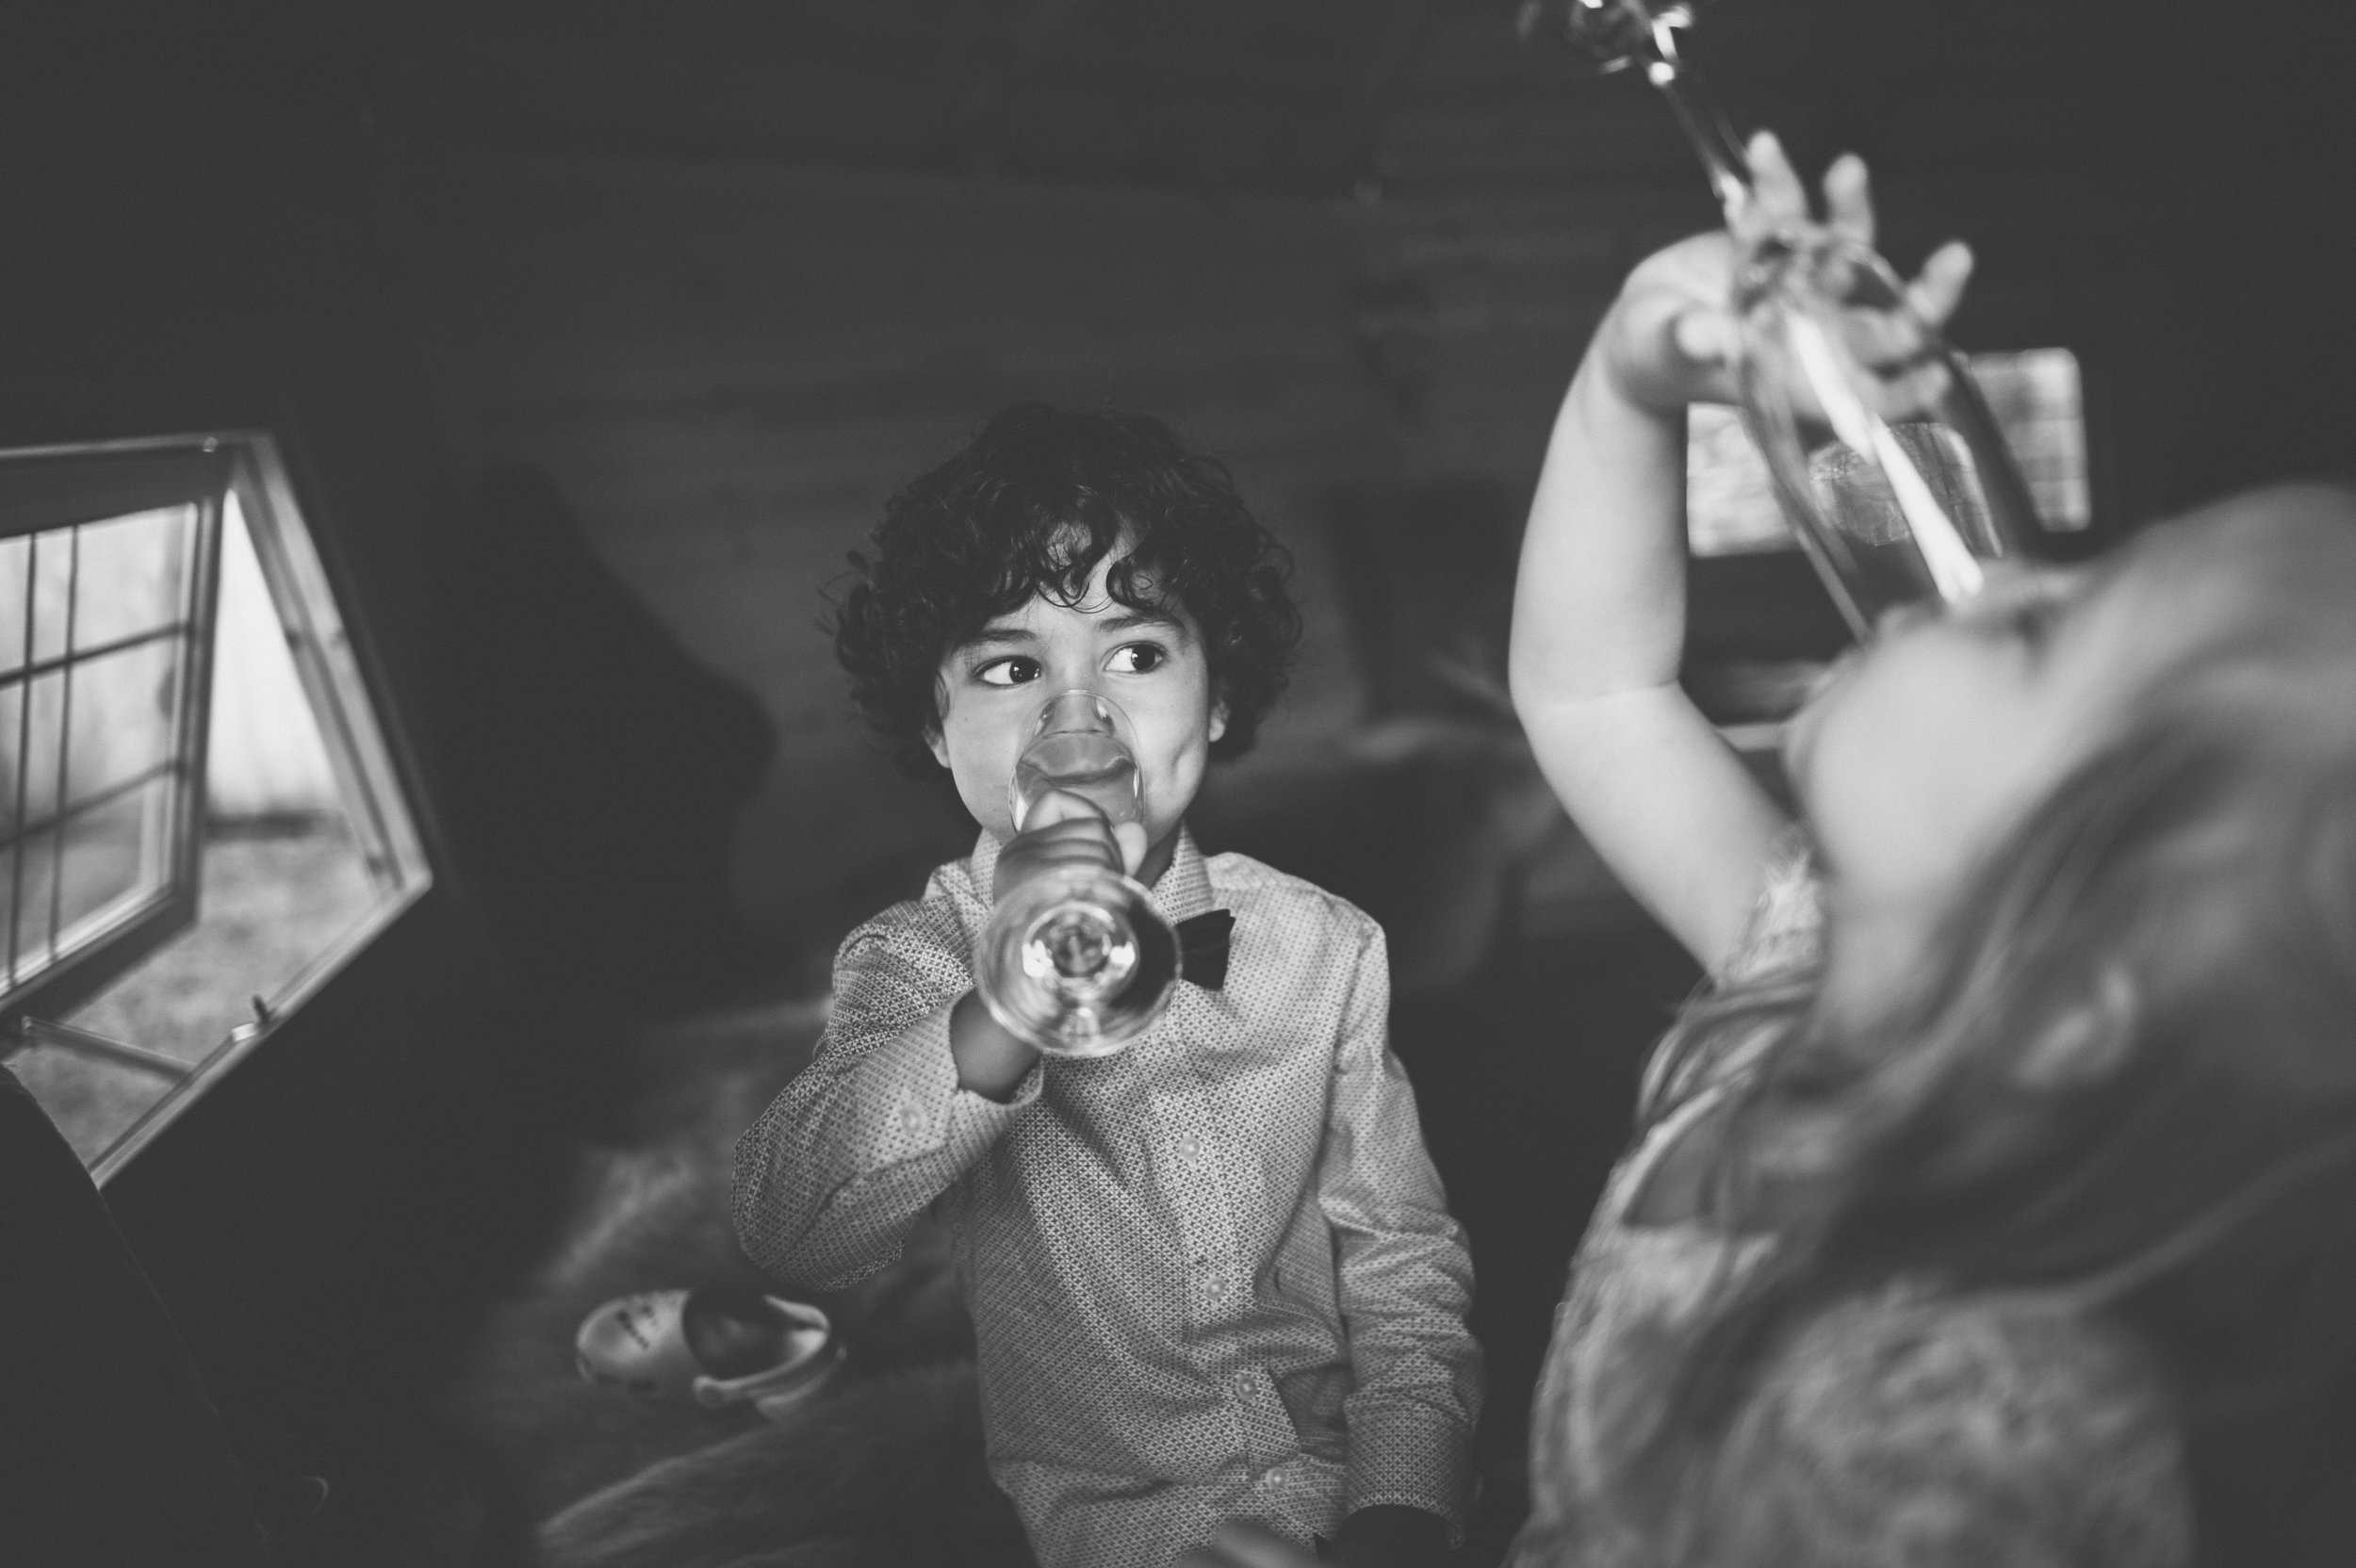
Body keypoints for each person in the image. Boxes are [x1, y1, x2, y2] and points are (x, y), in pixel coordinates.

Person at [1491, 133, 2356, 1566]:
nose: (1984, 564)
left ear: (2078, 994)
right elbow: (1594, 692)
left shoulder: (1959, 1434)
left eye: (2041, 628)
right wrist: (1630, 374)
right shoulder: (1800, 968)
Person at [733, 405, 1482, 1568]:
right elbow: (794, 1229)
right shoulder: (914, 954)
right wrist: (1004, 1010)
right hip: (1116, 1528)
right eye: (1011, 665)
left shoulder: (1323, 941)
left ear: (1217, 701)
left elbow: (1401, 1255)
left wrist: (1402, 1507)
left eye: (1135, 653)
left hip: (1356, 1494)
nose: (1073, 718)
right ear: (937, 728)